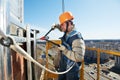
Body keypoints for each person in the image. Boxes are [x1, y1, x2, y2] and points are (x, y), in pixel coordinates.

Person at [57, 11, 85, 80]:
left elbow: (79, 57)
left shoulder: (76, 37)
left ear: (69, 23)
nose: (61, 27)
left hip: (72, 71)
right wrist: (56, 26)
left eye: (62, 25)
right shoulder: (67, 33)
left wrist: (64, 50)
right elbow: (62, 29)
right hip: (63, 67)